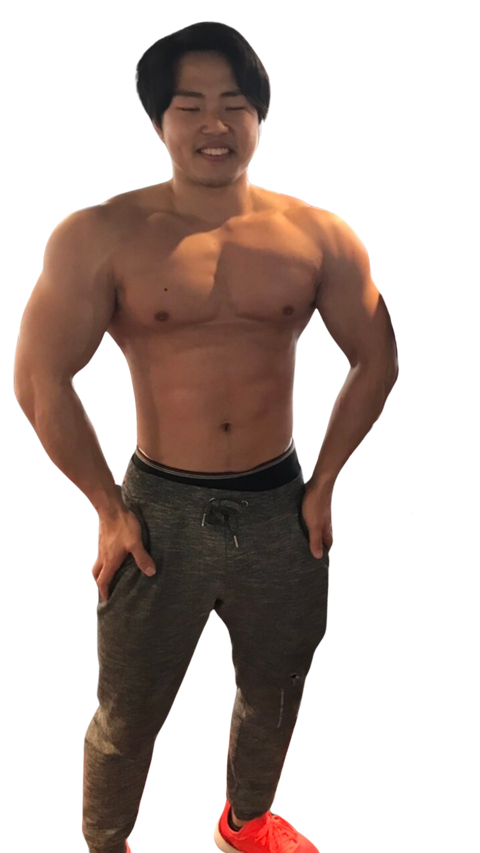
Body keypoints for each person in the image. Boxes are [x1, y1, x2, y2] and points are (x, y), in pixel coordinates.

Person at [12, 20, 400, 853]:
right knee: (129, 706)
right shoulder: (99, 233)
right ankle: (105, 842)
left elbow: (377, 357)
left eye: (234, 103)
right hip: (159, 509)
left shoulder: (319, 232)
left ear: (262, 114)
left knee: (276, 683)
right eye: (190, 106)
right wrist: (108, 507)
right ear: (159, 121)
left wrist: (325, 483)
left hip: (280, 502)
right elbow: (39, 377)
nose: (214, 123)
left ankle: (246, 821)